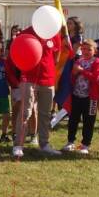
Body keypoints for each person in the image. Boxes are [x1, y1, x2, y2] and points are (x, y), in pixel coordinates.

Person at [11, 25, 63, 158]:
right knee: (26, 112)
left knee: (45, 114)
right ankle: (18, 145)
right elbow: (17, 53)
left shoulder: (54, 34)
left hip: (48, 80)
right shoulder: (27, 32)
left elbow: (56, 57)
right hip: (28, 78)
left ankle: (44, 144)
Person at [62, 40, 99, 154]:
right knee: (73, 120)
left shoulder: (98, 62)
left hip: (91, 98)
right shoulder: (79, 61)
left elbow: (96, 77)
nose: (86, 52)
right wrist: (74, 73)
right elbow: (72, 76)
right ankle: (70, 141)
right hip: (76, 95)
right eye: (84, 49)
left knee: (89, 121)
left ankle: (86, 144)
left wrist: (81, 71)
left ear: (95, 51)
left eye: (89, 49)